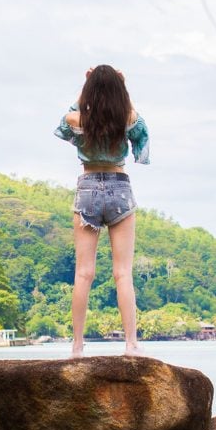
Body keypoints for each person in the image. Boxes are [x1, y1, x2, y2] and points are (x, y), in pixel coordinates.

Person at [54, 65, 149, 357]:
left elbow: (64, 121)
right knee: (123, 273)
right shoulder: (127, 117)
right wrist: (123, 86)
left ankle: (77, 346)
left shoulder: (76, 118)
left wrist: (85, 88)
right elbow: (142, 137)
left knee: (83, 274)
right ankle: (131, 345)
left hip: (88, 187)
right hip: (120, 186)